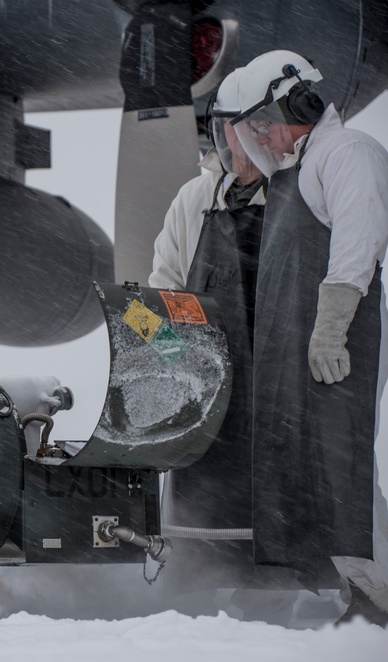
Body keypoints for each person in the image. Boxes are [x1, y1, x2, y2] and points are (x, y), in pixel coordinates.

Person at [230, 49, 388, 626]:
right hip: (299, 347)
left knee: (342, 462)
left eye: (264, 124)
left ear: (299, 104)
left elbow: (358, 243)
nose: (262, 138)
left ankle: (377, 595)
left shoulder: (350, 153)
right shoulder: (300, 168)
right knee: (310, 463)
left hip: (341, 340)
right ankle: (357, 585)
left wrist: (330, 329)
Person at [150, 70, 299, 626]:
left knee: (279, 486)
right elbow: (162, 291)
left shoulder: (298, 191)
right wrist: (174, 360)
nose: (236, 145)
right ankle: (187, 607)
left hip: (281, 378)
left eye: (249, 131)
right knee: (204, 490)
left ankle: (273, 599)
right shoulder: (194, 201)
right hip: (210, 382)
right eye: (227, 133)